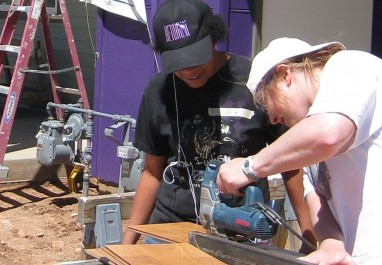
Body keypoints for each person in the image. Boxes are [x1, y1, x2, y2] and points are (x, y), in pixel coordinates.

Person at [216, 37, 382, 264]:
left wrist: (250, 167)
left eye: (267, 102)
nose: (272, 117)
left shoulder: (350, 66)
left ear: (285, 75)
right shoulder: (307, 141)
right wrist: (331, 243)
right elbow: (319, 204)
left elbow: (329, 134)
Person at [122, 0, 316, 253]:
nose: (189, 71)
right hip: (168, 229)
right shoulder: (159, 90)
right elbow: (152, 172)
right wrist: (126, 245)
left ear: (213, 38)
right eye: (178, 64)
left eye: (195, 59)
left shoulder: (253, 81)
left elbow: (292, 165)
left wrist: (309, 239)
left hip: (243, 229)